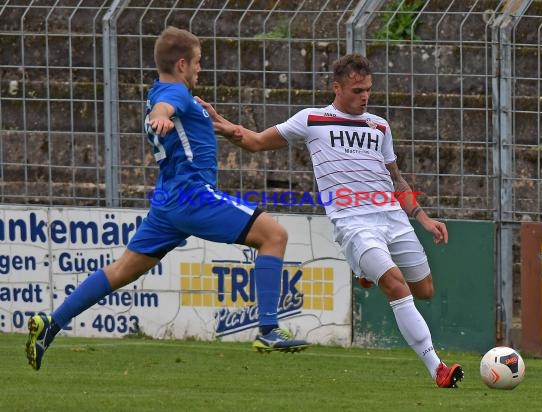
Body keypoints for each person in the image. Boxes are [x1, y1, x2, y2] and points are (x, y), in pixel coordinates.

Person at [25, 26, 309, 371]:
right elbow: (166, 107)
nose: (200, 69)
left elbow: (177, 113)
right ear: (181, 65)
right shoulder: (174, 95)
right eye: (198, 62)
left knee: (121, 271)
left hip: (168, 200)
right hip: (194, 196)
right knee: (274, 236)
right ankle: (268, 330)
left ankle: (50, 325)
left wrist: (215, 123)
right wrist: (160, 115)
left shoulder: (162, 91)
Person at [198, 53, 464, 388]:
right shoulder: (312, 119)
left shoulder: (379, 126)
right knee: (396, 285)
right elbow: (255, 142)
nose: (364, 96)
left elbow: (396, 180)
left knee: (424, 290)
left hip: (393, 219)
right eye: (357, 90)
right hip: (354, 223)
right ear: (336, 87)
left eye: (368, 89)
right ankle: (437, 368)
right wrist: (223, 124)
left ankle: (364, 271)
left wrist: (423, 218)